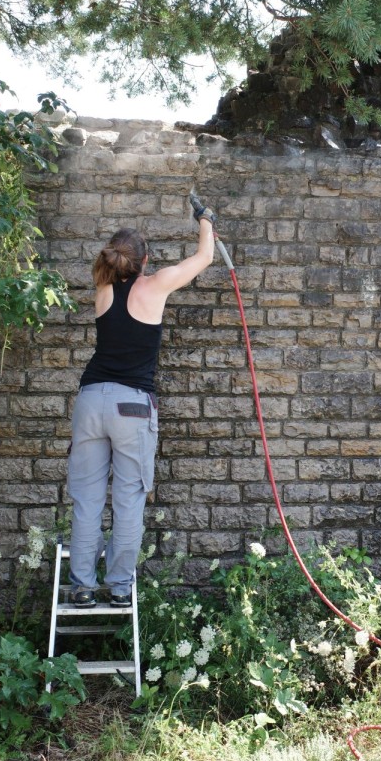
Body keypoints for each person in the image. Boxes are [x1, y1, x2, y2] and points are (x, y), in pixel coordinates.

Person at [67, 197, 216, 607]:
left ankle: (81, 586)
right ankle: (117, 589)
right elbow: (204, 257)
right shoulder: (155, 285)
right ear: (145, 260)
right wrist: (205, 220)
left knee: (87, 498)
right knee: (129, 498)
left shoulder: (102, 289)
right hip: (131, 406)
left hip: (91, 400)